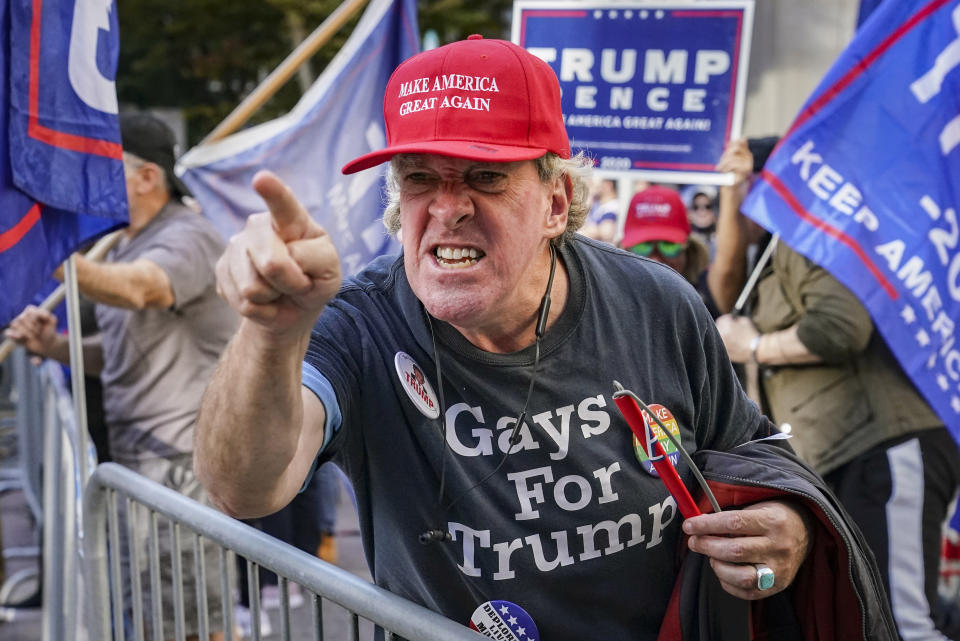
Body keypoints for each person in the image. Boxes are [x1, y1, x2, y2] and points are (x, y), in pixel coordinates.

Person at [193, 37, 867, 640]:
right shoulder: (361, 322)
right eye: (420, 177)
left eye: (486, 176)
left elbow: (752, 458)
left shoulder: (656, 300)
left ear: (554, 202)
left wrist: (790, 528)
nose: (448, 206)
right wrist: (270, 333)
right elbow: (245, 489)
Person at [714, 142, 960, 640]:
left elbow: (839, 328)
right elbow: (726, 290)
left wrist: (757, 345)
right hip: (849, 454)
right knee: (868, 620)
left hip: (884, 446)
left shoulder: (813, 238)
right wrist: (728, 196)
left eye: (745, 187)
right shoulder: (777, 250)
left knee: (904, 623)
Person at [5, 113, 236, 641]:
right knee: (159, 619)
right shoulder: (124, 241)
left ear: (148, 177)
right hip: (141, 462)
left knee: (196, 623)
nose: (86, 182)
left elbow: (143, 289)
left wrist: (50, 249)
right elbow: (119, 351)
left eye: (99, 167)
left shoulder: (187, 234)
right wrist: (53, 346)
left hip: (183, 463)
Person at [621, 184, 718, 317]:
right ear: (624, 250)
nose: (655, 260)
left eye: (668, 245)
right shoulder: (608, 300)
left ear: (687, 248)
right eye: (642, 247)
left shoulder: (708, 294)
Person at [580, 177, 619, 244]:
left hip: (603, 250)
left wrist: (588, 230)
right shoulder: (596, 203)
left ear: (608, 185)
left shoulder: (613, 205)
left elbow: (606, 232)